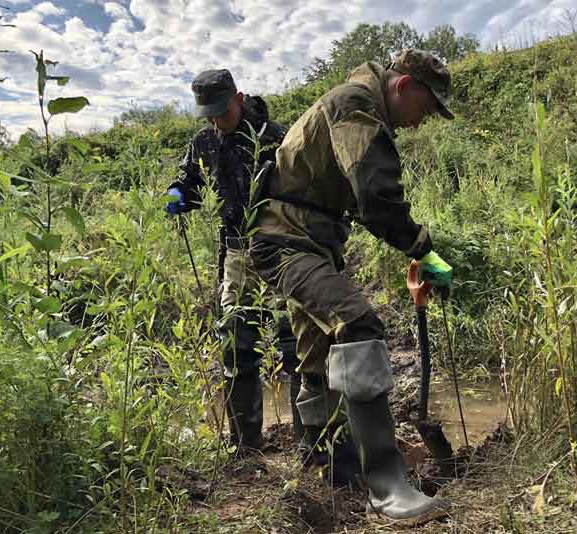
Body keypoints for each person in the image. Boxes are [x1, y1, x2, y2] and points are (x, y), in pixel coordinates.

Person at [251, 49, 454, 523]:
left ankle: (332, 466)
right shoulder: (355, 105)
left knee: (316, 356)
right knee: (359, 324)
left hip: (308, 242)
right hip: (285, 243)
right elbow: (376, 196)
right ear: (403, 87)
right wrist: (423, 248)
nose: (421, 122)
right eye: (425, 109)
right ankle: (387, 488)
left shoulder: (356, 103)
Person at [165, 69, 302, 456]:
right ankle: (246, 448)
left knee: (293, 343)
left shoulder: (276, 137)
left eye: (220, 113)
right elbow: (190, 183)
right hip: (237, 254)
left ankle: (310, 445)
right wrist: (177, 192)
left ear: (238, 99)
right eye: (207, 115)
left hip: (282, 250)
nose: (214, 121)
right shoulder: (204, 142)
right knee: (236, 346)